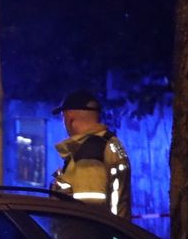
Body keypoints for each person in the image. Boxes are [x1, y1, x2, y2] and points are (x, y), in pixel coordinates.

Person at [49, 90, 132, 218]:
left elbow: (87, 211)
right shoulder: (110, 143)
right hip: (113, 233)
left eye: (63, 117)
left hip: (87, 236)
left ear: (70, 118)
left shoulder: (90, 152)